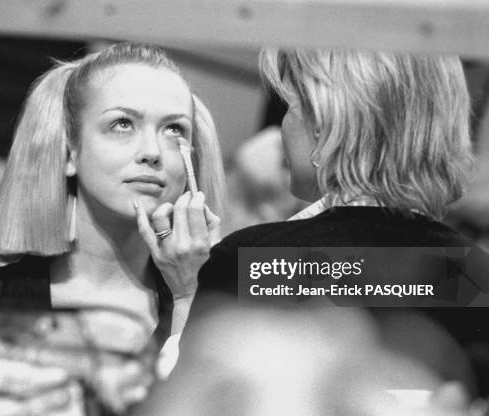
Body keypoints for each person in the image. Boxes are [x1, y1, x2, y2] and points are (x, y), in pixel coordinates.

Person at [0, 42, 225, 412]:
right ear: (69, 153)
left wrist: (189, 296)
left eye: (175, 130)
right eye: (122, 124)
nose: (153, 151)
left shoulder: (219, 317)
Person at [190, 48, 489, 394]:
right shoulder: (476, 275)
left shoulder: (247, 261)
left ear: (322, 120)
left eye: (289, 106)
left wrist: (184, 293)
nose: (283, 127)